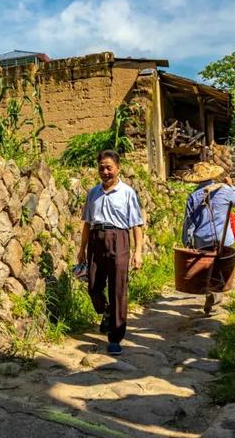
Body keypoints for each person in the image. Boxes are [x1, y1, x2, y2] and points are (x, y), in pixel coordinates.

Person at [77, 150, 144, 356]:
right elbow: (87, 223)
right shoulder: (93, 193)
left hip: (119, 239)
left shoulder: (127, 193)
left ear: (118, 168)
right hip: (96, 240)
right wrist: (82, 249)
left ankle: (115, 337)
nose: (105, 172)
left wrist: (138, 251)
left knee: (118, 289)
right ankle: (106, 311)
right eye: (101, 168)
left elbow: (136, 225)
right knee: (93, 286)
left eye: (109, 167)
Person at [181, 162, 235, 314]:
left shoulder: (193, 197)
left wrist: (187, 242)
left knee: (208, 269)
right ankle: (214, 299)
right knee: (219, 267)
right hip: (223, 238)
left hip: (202, 239)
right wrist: (232, 186)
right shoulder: (225, 190)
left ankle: (211, 295)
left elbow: (189, 222)